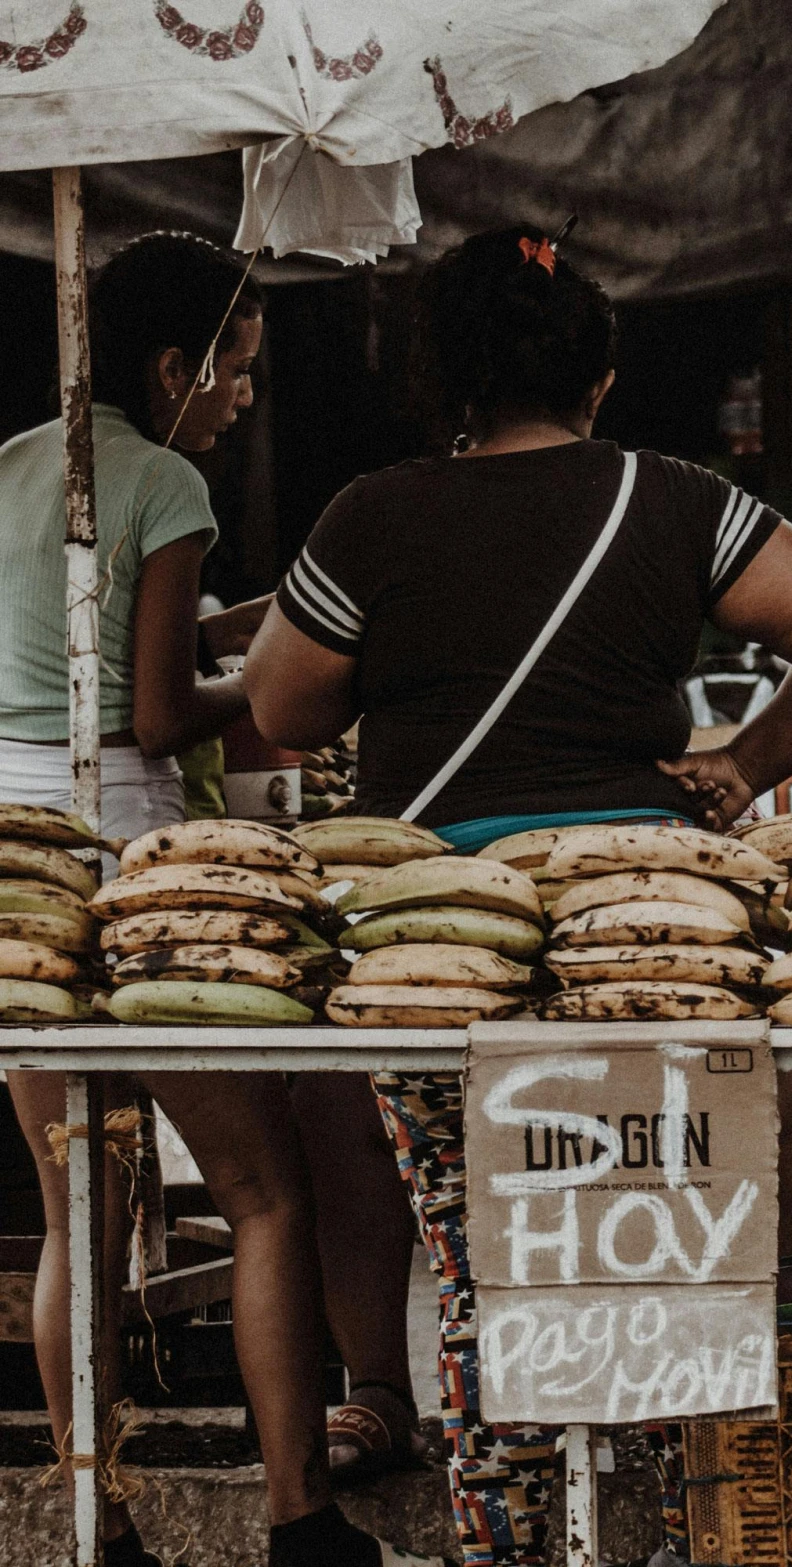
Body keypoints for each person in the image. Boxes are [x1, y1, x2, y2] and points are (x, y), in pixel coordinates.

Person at [242, 223, 792, 1567]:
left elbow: (279, 706)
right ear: (597, 378)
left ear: (447, 384)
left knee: (484, 1261)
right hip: (648, 934)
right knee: (660, 1251)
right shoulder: (669, 498)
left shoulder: (372, 513)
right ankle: (681, 1533)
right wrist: (740, 765)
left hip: (442, 947)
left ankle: (512, 1544)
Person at [0, 232, 429, 1567]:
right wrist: (286, 682)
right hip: (132, 851)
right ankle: (300, 1514)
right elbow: (152, 706)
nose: (242, 398)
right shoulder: (168, 480)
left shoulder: (15, 463)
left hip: (13, 863)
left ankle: (95, 1517)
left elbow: (86, 641)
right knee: (259, 1187)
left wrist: (244, 625)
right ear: (174, 364)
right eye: (233, 371)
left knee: (80, 1201)